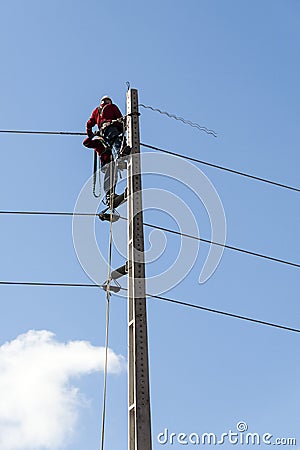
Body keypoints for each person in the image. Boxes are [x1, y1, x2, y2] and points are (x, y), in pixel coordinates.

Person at [83, 96, 127, 206]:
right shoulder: (111, 107)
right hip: (110, 130)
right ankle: (121, 158)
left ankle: (110, 197)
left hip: (108, 161)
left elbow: (89, 123)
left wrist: (91, 133)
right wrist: (92, 135)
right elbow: (120, 119)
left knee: (111, 177)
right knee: (117, 141)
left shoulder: (96, 111)